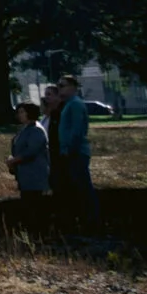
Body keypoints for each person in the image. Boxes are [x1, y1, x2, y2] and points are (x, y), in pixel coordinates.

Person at [53, 74, 98, 234]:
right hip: (70, 152)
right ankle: (83, 220)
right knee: (75, 187)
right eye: (58, 86)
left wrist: (69, 149)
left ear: (73, 87)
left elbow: (77, 131)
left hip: (76, 153)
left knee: (82, 187)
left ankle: (91, 221)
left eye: (63, 85)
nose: (60, 89)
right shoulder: (68, 105)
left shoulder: (76, 105)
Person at [9, 100, 53, 242]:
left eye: (22, 112)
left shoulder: (36, 130)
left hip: (35, 173)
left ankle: (39, 235)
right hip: (25, 174)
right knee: (28, 204)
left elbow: (31, 151)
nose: (19, 115)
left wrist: (15, 160)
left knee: (35, 205)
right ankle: (31, 234)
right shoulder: (25, 129)